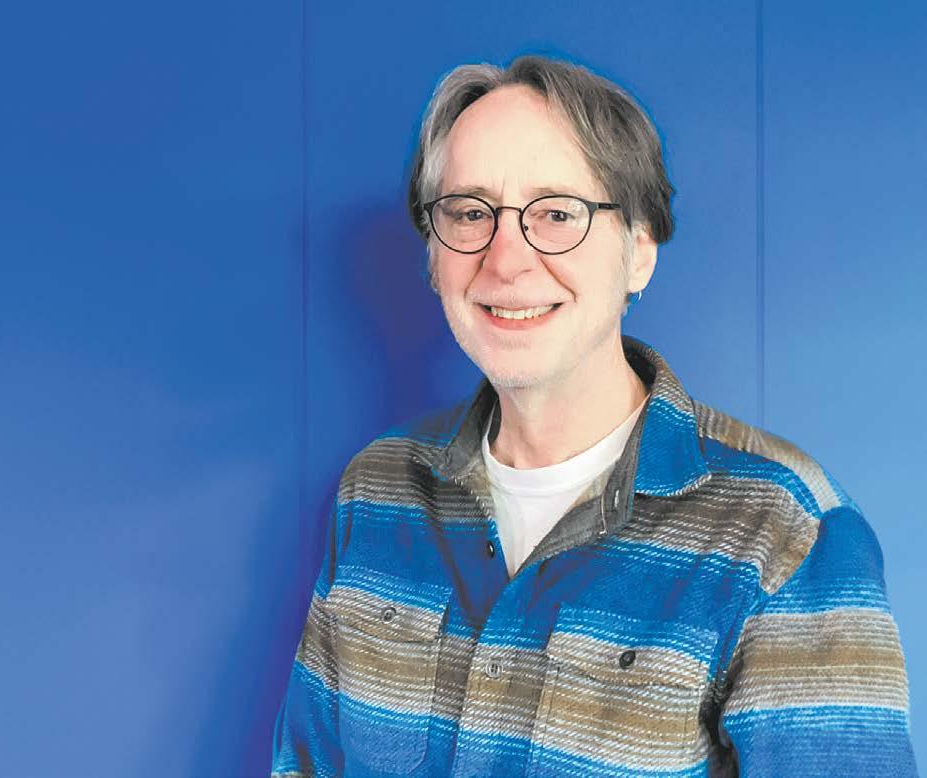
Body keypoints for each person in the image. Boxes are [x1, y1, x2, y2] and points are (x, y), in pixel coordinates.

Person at [270, 55, 916, 777]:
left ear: (639, 251)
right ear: (432, 252)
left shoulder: (785, 530)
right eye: (471, 212)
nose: (506, 260)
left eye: (556, 214)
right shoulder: (377, 490)